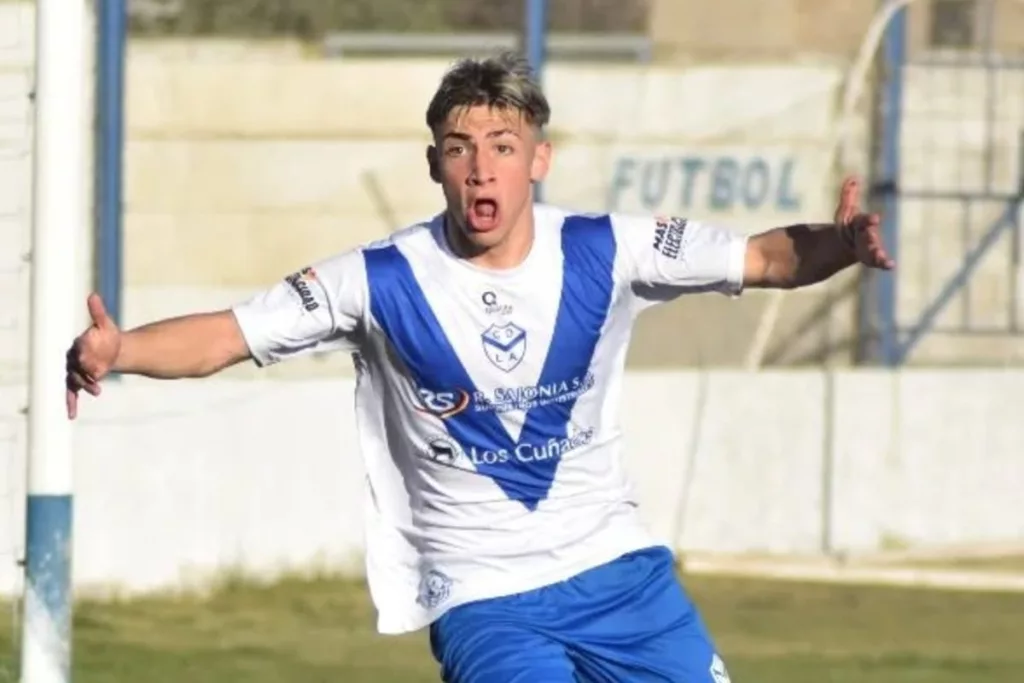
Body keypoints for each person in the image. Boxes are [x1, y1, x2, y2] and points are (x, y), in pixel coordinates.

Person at [66, 52, 894, 683]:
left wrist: (840, 245)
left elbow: (762, 257)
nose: (480, 167)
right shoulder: (377, 279)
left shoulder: (608, 248)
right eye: (458, 148)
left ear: (539, 157)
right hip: (483, 595)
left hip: (617, 568)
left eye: (502, 145)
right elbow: (232, 333)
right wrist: (123, 348)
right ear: (435, 165)